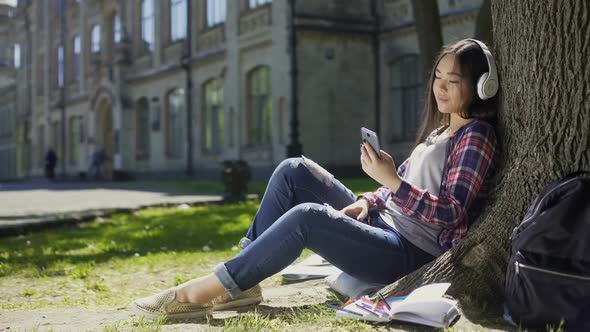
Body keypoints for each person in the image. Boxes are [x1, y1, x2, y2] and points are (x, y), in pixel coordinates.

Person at [130, 38, 500, 319]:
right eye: (438, 77)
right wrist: (367, 200)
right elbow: (393, 191)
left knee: (309, 217)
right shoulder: (440, 133)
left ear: (482, 85)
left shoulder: (476, 136)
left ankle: (204, 292)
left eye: (453, 80)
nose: (440, 87)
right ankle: (244, 279)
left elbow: (451, 213)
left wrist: (392, 182)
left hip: (407, 251)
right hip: (383, 223)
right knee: (295, 170)